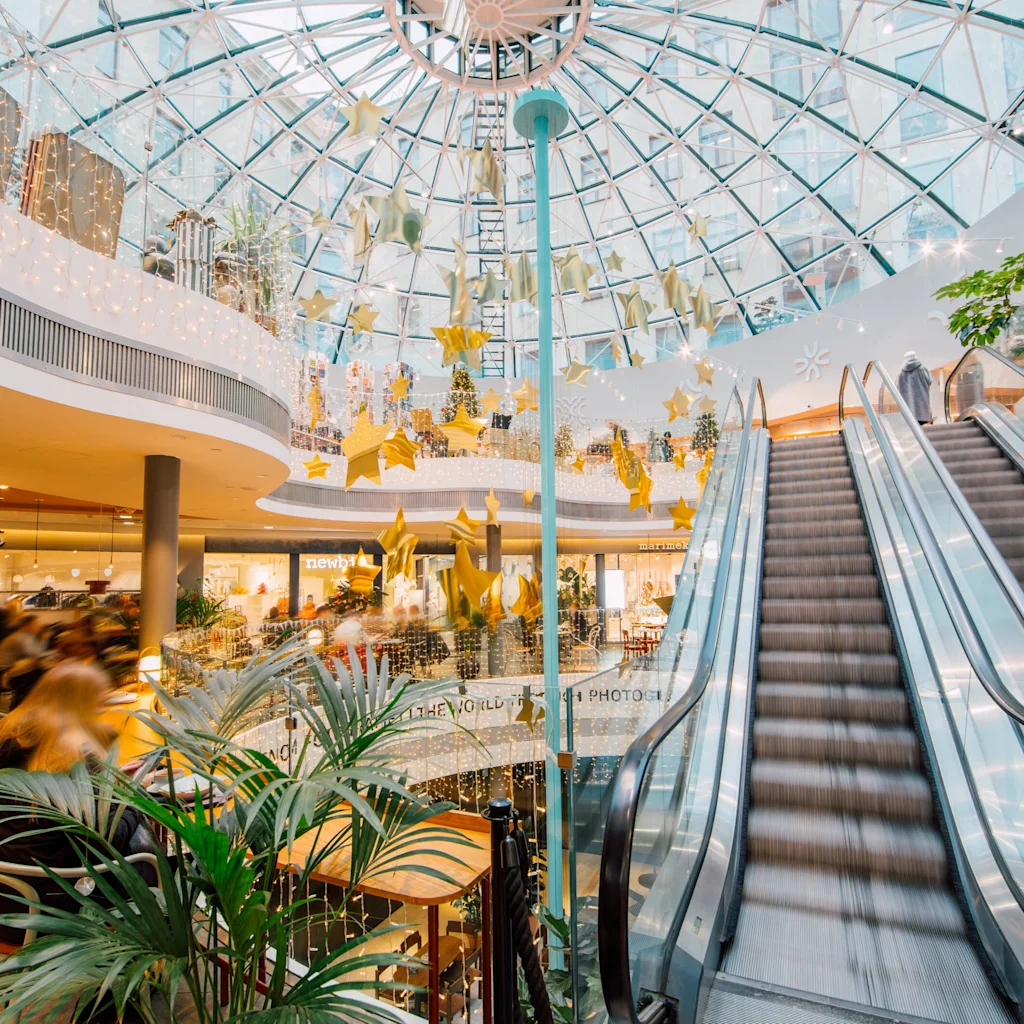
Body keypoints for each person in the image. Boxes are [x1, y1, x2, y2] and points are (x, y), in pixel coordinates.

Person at [0, 662, 157, 943]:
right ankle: (143, 966)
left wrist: (109, 784)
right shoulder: (74, 752)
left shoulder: (13, 737)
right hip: (58, 908)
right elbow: (110, 838)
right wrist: (133, 793)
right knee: (157, 864)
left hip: (8, 900)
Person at [897, 350, 933, 425]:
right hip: (923, 410)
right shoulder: (922, 369)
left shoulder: (900, 373)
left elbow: (896, 388)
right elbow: (929, 382)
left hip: (908, 411)